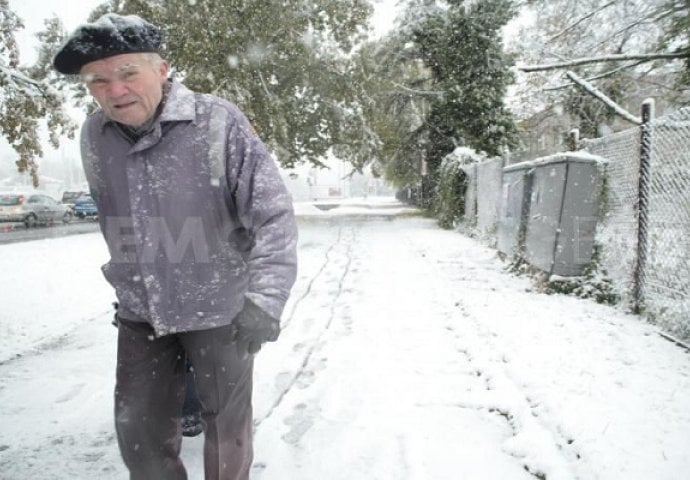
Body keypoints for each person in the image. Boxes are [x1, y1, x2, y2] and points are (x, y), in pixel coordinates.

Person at [53, 13, 298, 480]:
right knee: (138, 434)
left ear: (162, 69)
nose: (115, 90)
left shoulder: (217, 122)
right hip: (142, 313)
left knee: (227, 434)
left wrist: (265, 298)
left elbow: (272, 213)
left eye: (128, 73)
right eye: (98, 80)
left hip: (221, 309)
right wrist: (132, 278)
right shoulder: (94, 135)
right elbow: (115, 217)